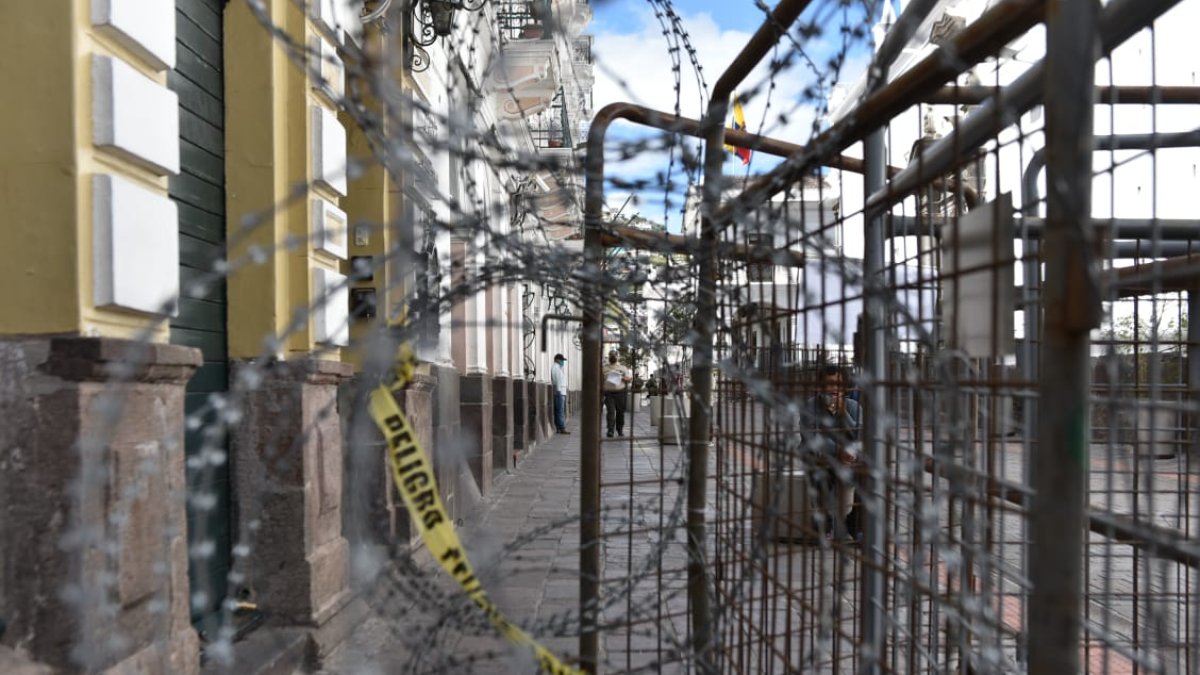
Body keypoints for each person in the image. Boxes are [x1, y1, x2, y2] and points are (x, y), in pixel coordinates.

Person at [801, 363, 861, 541]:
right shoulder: (810, 407)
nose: (833, 389)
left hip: (848, 461)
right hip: (820, 460)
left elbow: (860, 436)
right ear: (820, 387)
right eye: (829, 384)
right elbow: (810, 438)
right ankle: (824, 524)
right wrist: (837, 451)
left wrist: (844, 414)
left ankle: (854, 524)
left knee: (867, 477)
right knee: (820, 475)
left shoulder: (853, 407)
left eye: (837, 384)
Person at [602, 350, 632, 437]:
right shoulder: (604, 368)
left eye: (614, 355)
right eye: (611, 355)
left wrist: (621, 377)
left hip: (620, 392)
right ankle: (610, 430)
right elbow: (600, 380)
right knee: (610, 411)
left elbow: (629, 379)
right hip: (609, 393)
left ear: (617, 357)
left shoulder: (623, 368)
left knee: (620, 412)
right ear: (609, 356)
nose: (613, 357)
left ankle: (620, 429)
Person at [551, 353, 569, 434]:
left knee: (559, 410)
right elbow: (557, 380)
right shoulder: (556, 368)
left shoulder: (557, 368)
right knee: (560, 410)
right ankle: (562, 427)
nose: (562, 362)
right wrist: (558, 391)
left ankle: (559, 427)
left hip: (560, 392)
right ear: (557, 360)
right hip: (560, 392)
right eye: (562, 360)